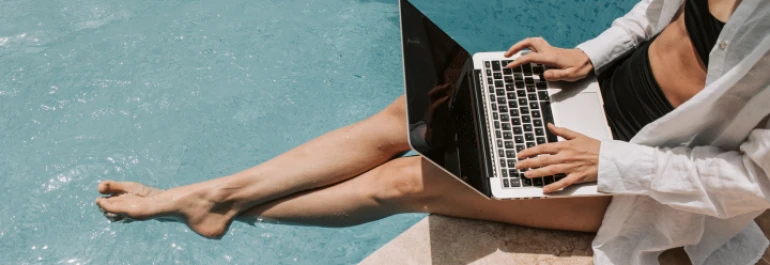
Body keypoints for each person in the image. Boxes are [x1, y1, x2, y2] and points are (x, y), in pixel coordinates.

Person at [96, 0, 770, 264]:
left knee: (411, 178)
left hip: (634, 173)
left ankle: (213, 205)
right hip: (591, 95)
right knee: (407, 113)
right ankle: (210, 195)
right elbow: (658, 13)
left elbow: (754, 179)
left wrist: (608, 163)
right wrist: (589, 54)